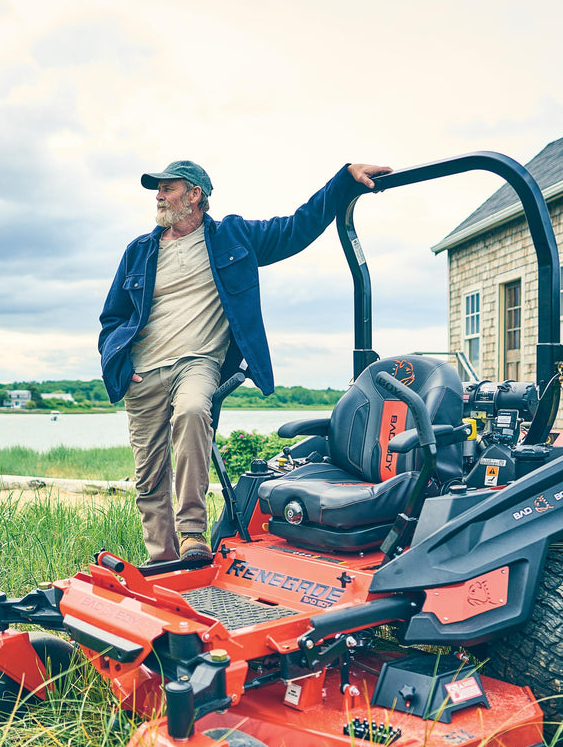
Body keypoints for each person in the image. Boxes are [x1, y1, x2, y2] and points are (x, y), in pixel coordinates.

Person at [99, 159, 391, 563]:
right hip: (142, 372)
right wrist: (120, 364)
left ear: (195, 194)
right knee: (149, 476)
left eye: (167, 188)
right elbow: (112, 317)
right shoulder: (140, 251)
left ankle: (192, 535)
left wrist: (342, 182)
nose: (159, 196)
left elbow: (295, 228)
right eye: (158, 190)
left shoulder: (233, 237)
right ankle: (163, 562)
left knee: (192, 411)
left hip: (197, 362)